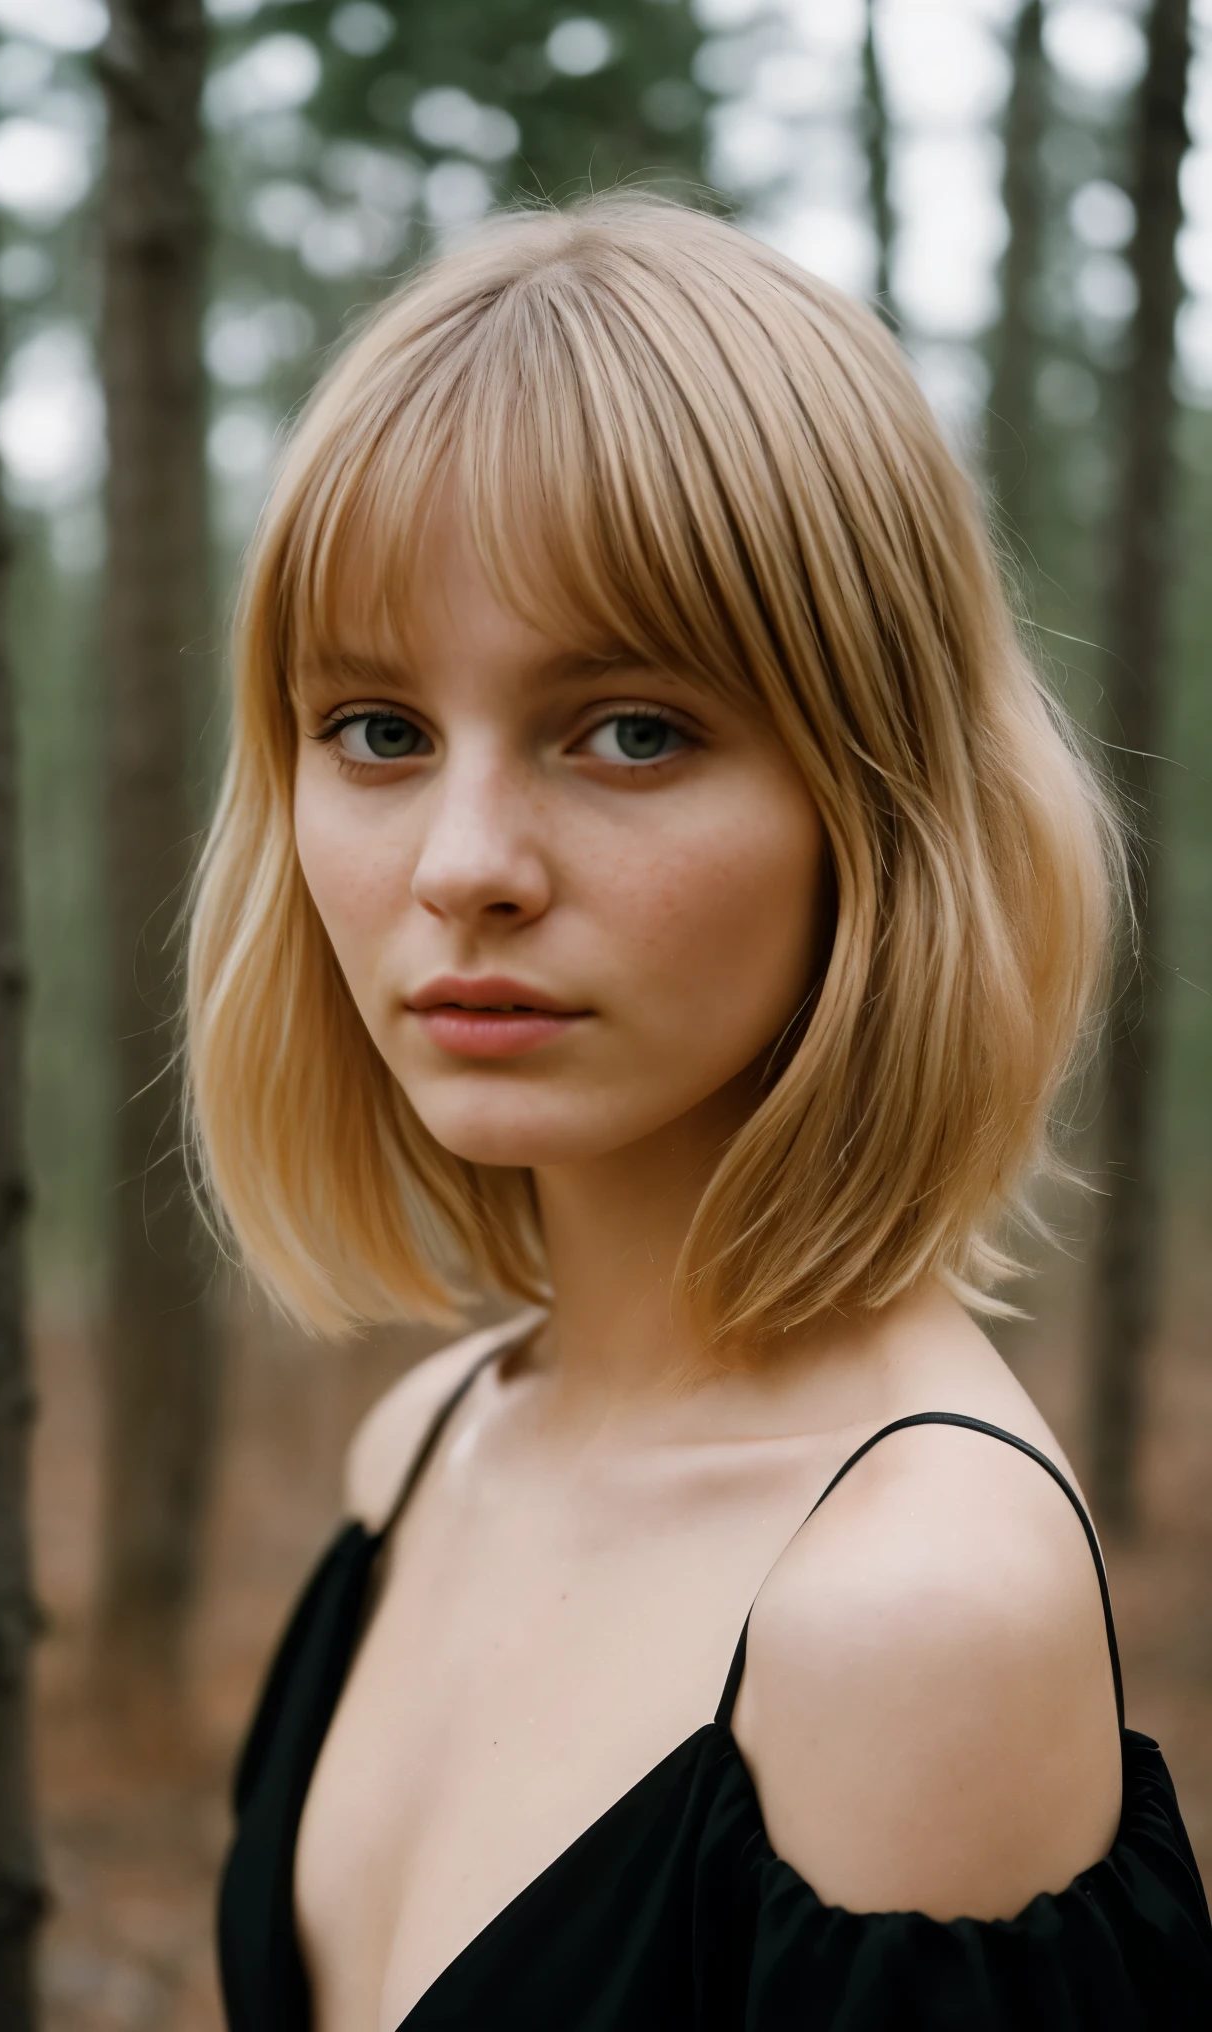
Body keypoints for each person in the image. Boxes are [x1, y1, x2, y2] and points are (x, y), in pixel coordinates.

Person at [188, 197, 1212, 2030]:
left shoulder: (912, 1619)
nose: (466, 866)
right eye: (377, 729)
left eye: (632, 730)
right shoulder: (424, 1447)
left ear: (876, 808)